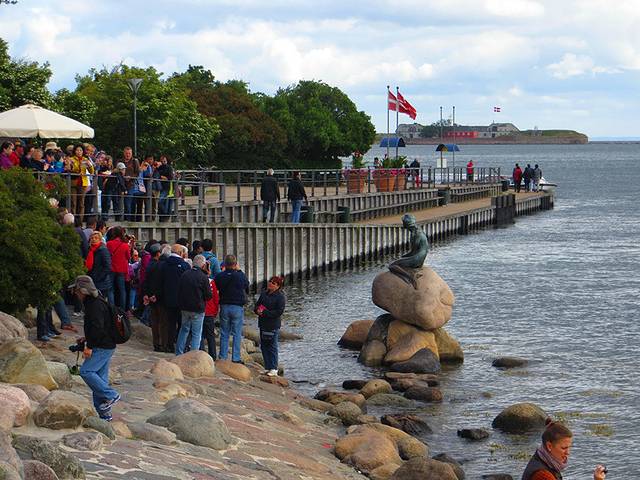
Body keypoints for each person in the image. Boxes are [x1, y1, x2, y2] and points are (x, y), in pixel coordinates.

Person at [71, 275, 121, 422]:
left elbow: (98, 329)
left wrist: (89, 346)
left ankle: (112, 395)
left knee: (86, 371)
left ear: (83, 290)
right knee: (100, 380)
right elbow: (98, 328)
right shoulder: (97, 301)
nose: (75, 293)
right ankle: (104, 414)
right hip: (107, 344)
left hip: (102, 346)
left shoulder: (94, 305)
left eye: (76, 290)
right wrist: (86, 338)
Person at [521, 419, 606, 480]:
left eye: (569, 447)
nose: (568, 452)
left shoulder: (541, 460)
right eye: (564, 448)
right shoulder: (542, 474)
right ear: (549, 446)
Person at [215, 254, 250, 363]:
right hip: (237, 307)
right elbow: (246, 284)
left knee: (224, 332)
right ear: (235, 264)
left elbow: (216, 285)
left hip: (224, 306)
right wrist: (239, 270)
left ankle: (223, 356)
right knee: (237, 333)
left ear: (225, 264)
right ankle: (236, 358)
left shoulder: (220, 276)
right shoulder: (240, 275)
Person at [175, 255, 213, 355]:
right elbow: (209, 295)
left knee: (184, 330)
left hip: (185, 307)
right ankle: (193, 355)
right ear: (204, 265)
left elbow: (179, 290)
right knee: (196, 333)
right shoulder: (203, 277)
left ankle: (179, 353)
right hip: (198, 308)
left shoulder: (185, 274)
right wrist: (208, 274)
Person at [254, 276, 286, 376]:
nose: (270, 283)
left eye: (273, 283)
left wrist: (265, 312)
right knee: (264, 346)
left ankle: (274, 368)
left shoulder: (280, 297)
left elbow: (278, 312)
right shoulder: (264, 293)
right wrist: (257, 310)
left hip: (273, 325)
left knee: (272, 346)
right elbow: (257, 305)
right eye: (270, 281)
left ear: (278, 286)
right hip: (263, 323)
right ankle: (267, 367)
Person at [162, 244, 190, 352]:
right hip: (181, 299)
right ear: (180, 253)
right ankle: (180, 345)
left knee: (170, 323)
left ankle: (169, 344)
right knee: (182, 324)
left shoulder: (164, 264)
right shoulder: (184, 265)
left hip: (168, 297)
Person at [143, 243, 167, 352]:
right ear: (158, 253)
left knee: (154, 321)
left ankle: (156, 343)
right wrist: (156, 295)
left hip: (151, 296)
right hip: (158, 297)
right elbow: (161, 283)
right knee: (162, 321)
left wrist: (147, 295)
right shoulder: (160, 266)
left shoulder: (149, 265)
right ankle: (162, 344)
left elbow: (146, 281)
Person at [106, 227, 131, 310]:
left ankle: (112, 309)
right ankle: (122, 310)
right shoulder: (125, 245)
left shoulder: (109, 244)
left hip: (112, 268)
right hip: (121, 270)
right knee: (122, 290)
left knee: (110, 290)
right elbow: (128, 257)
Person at [86, 231, 114, 304]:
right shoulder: (90, 250)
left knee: (101, 302)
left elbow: (108, 266)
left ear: (100, 239)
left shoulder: (103, 250)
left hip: (102, 281)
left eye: (96, 238)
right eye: (92, 238)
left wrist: (99, 277)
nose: (93, 239)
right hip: (93, 279)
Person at [200, 273, 219, 359]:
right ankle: (213, 354)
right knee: (210, 335)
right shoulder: (211, 282)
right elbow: (215, 298)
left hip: (200, 310)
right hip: (210, 311)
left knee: (199, 334)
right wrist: (215, 310)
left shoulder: (197, 279)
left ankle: (201, 352)